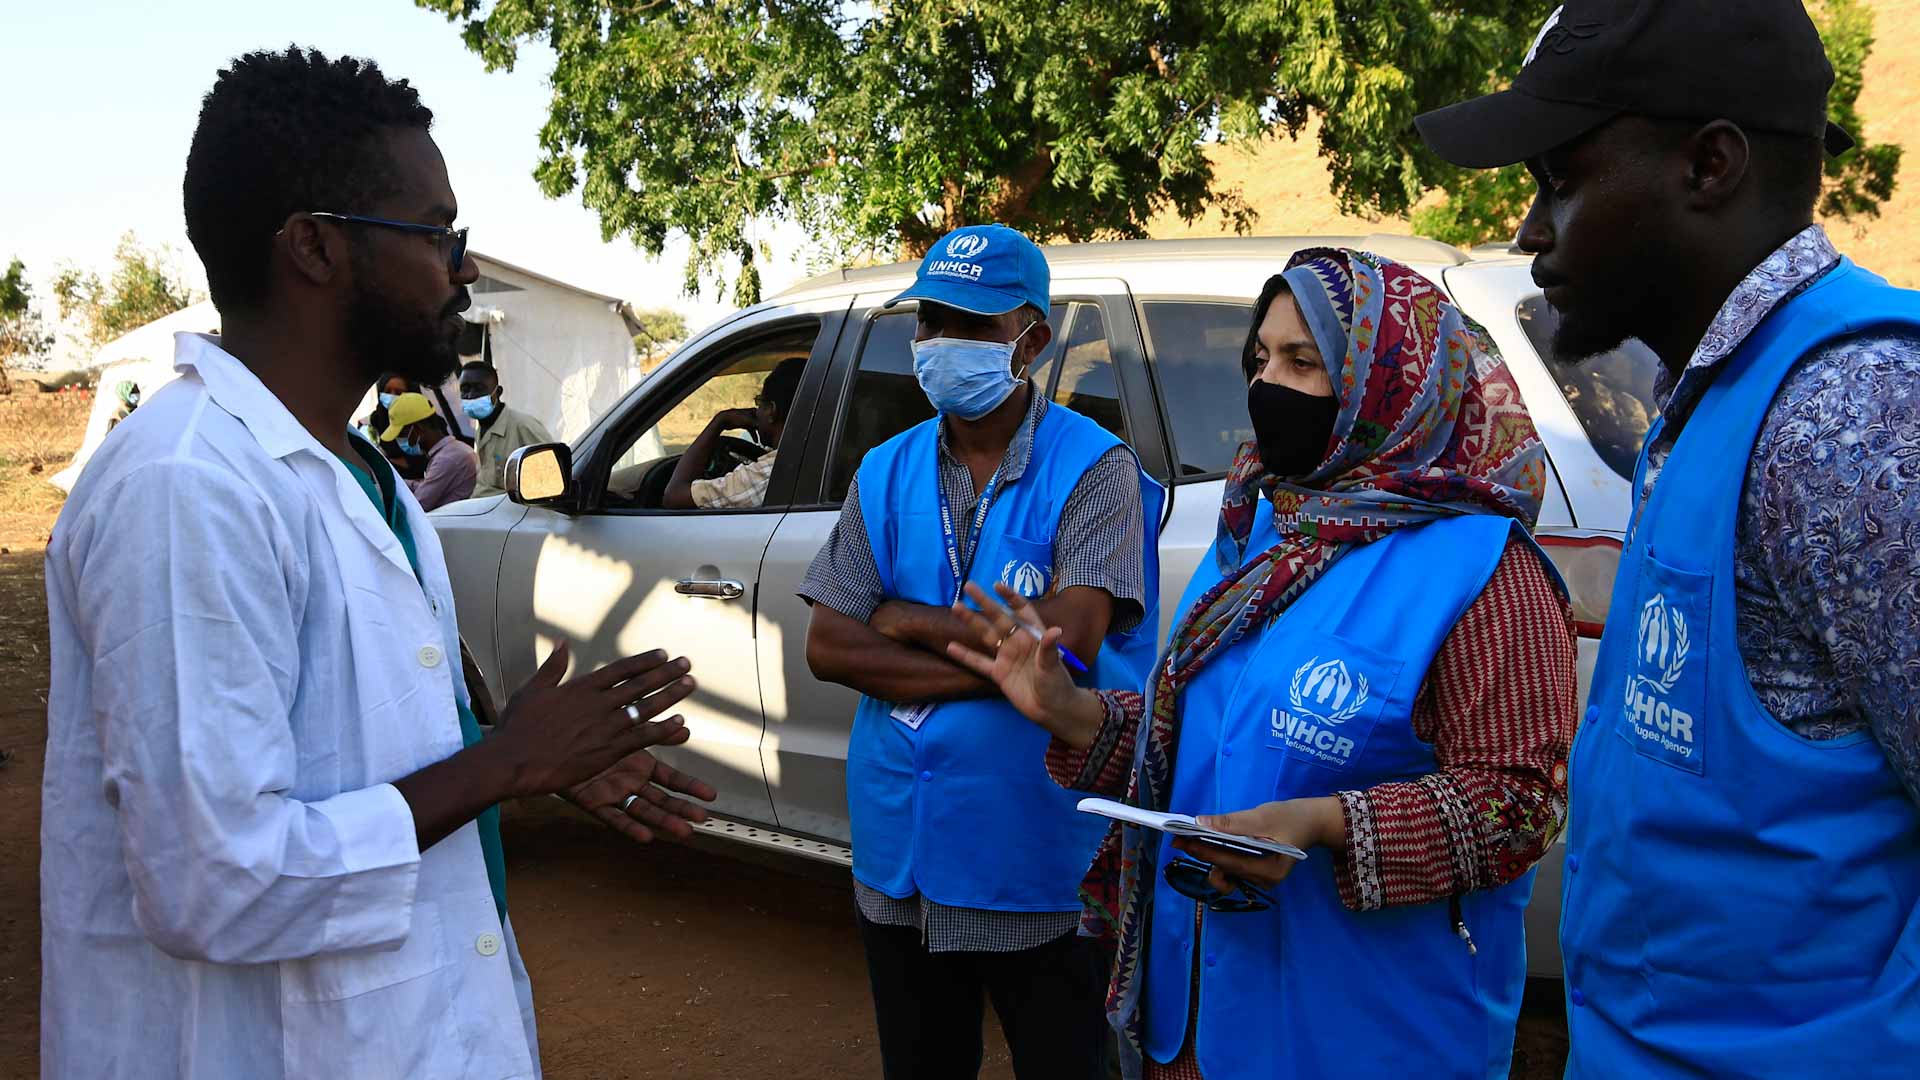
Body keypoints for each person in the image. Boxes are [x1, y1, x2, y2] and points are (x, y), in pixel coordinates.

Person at [41, 47, 718, 1079]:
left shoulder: (365, 474)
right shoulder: (189, 487)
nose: (464, 269)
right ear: (314, 247)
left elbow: (348, 758)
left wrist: (509, 756)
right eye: (438, 234)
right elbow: (214, 879)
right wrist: (506, 761)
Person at [1415, 2, 1920, 1075]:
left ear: (1710, 166)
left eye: (1561, 178)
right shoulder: (1711, 400)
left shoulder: (1852, 414)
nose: (1529, 231)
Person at [945, 248, 1578, 1079]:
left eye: (1302, 361)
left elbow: (1520, 805)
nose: (1265, 384)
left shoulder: (1486, 568)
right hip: (1200, 1019)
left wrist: (1325, 824)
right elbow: (1212, 730)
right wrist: (1072, 710)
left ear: (1389, 383)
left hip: (1366, 1035)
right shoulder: (1261, 531)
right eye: (1260, 359)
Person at [800, 224, 1162, 1080]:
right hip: (902, 854)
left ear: (1031, 341)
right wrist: (995, 664)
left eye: (972, 325)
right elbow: (828, 643)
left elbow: (1065, 646)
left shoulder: (1095, 467)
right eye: (931, 321)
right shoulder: (883, 469)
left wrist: (903, 617)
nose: (941, 344)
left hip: (1038, 861)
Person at [663, 356, 805, 509]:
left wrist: (720, 421)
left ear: (771, 410)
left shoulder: (769, 473)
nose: (756, 411)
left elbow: (673, 496)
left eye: (759, 402)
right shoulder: (814, 455)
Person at [459, 359, 556, 499]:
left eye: (479, 388)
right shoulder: (481, 427)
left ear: (497, 392)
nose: (470, 395)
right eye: (465, 389)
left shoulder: (523, 426)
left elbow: (550, 480)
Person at [383, 390, 478, 510]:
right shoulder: (452, 451)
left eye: (401, 434)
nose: (399, 441)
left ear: (417, 429)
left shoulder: (446, 459)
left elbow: (418, 506)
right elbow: (427, 486)